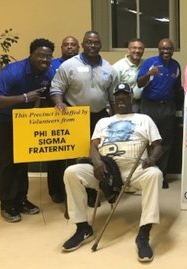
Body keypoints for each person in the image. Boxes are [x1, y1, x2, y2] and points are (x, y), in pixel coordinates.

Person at [61, 83, 163, 263]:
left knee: (155, 175)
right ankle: (82, 227)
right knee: (71, 172)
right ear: (113, 100)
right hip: (105, 167)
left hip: (136, 168)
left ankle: (144, 233)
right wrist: (97, 161)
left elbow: (158, 145)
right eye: (118, 97)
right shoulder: (104, 121)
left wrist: (152, 159)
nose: (121, 100)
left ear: (132, 99)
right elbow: (93, 146)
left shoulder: (144, 119)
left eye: (125, 97)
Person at [0, 38, 55, 222]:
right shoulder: (13, 72)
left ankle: (21, 199)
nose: (44, 60)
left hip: (22, 121)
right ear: (31, 55)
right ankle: (7, 204)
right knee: (5, 163)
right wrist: (23, 98)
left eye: (48, 56)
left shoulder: (49, 72)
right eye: (40, 55)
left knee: (21, 159)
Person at [50, 30, 119, 206]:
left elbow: (113, 96)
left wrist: (117, 117)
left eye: (96, 43)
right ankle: (73, 195)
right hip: (75, 116)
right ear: (83, 44)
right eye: (89, 42)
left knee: (99, 156)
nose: (92, 46)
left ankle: (92, 192)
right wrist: (59, 103)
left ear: (100, 45)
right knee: (77, 157)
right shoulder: (69, 65)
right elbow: (56, 89)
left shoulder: (108, 68)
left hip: (100, 116)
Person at [137, 38, 182, 189]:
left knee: (165, 142)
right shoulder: (149, 62)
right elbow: (139, 83)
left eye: (169, 49)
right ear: (158, 49)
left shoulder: (175, 66)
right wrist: (149, 74)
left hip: (167, 107)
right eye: (163, 48)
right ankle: (147, 175)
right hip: (149, 106)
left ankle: (161, 175)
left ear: (173, 50)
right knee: (148, 141)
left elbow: (177, 88)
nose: (166, 51)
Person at [47, 35, 80, 203]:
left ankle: (77, 190)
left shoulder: (82, 64)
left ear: (78, 48)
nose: (70, 47)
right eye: (66, 44)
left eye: (73, 45)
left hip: (76, 115)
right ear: (61, 48)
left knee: (76, 155)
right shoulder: (51, 65)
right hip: (56, 114)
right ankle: (56, 191)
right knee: (55, 155)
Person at [113, 38, 145, 113]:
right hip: (126, 105)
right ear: (128, 50)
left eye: (140, 48)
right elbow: (113, 89)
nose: (137, 51)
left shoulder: (146, 64)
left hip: (144, 104)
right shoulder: (118, 67)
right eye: (134, 48)